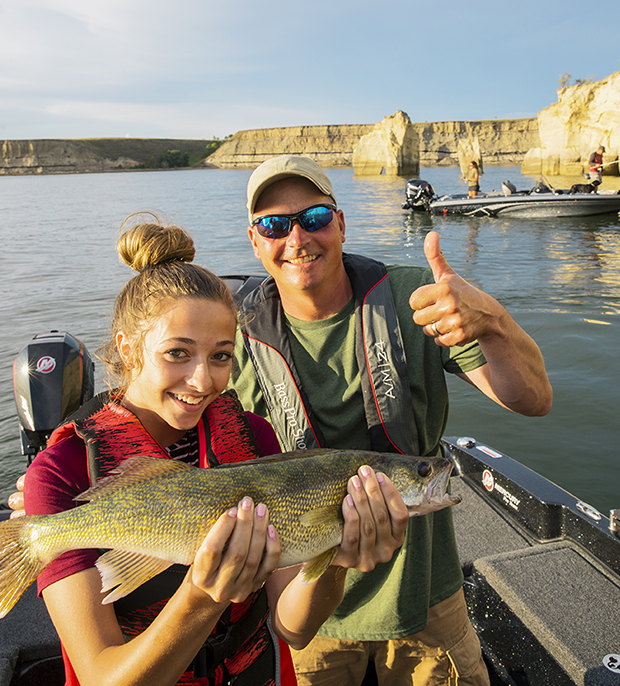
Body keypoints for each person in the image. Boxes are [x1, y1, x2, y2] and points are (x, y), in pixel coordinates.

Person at [20, 213, 408, 686]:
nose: (203, 380)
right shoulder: (60, 473)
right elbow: (103, 677)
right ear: (128, 349)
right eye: (177, 353)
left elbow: (293, 627)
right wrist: (204, 596)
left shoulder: (255, 439)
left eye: (221, 355)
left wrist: (338, 559)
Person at [229, 155, 552, 685]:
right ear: (255, 240)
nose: (297, 238)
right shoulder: (232, 343)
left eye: (312, 218)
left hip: (425, 599)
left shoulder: (413, 299)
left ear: (339, 223)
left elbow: (533, 399)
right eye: (274, 224)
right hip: (310, 615)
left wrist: (493, 321)